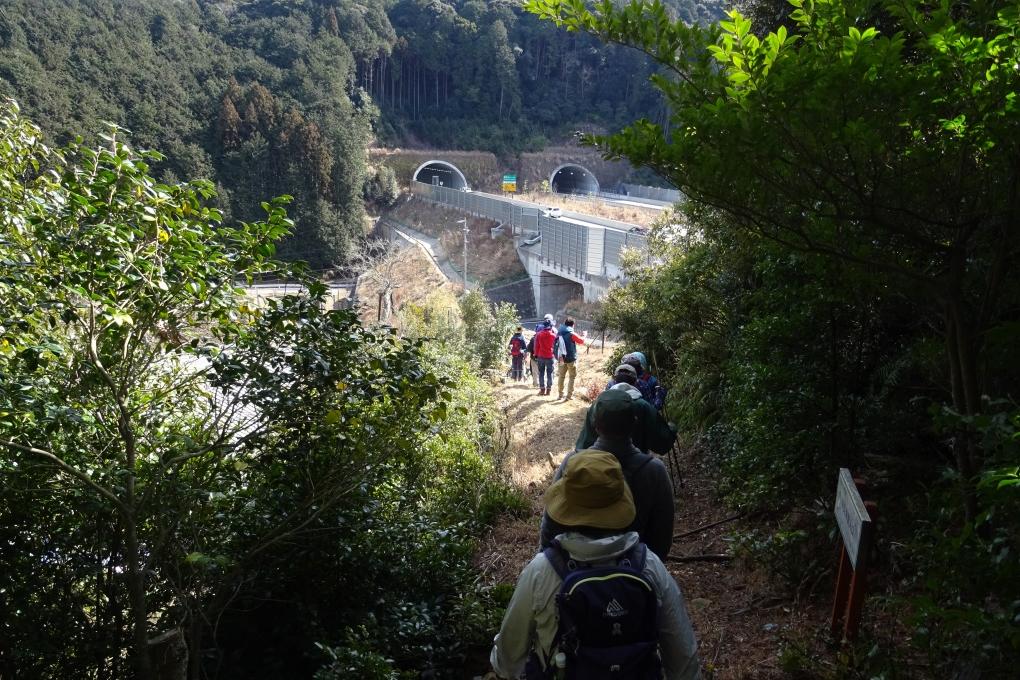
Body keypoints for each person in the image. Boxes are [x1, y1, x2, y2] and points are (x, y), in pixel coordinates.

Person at [490, 453, 700, 680]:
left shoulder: (542, 570)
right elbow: (684, 659)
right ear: (620, 504)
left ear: (565, 507)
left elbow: (507, 661)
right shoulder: (649, 565)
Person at [544, 387, 675, 558]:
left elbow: (550, 523)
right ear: (634, 423)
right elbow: (662, 537)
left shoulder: (573, 462)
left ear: (595, 425)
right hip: (632, 572)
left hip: (572, 571)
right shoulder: (654, 471)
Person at [582, 365, 676, 457]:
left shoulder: (598, 404)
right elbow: (662, 444)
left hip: (601, 466)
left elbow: (584, 444)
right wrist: (672, 428)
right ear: (635, 382)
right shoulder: (643, 405)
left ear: (614, 381)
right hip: (636, 465)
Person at [554, 317, 585, 400]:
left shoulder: (559, 332)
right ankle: (568, 396)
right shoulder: (571, 333)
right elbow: (581, 341)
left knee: (561, 376)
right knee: (572, 377)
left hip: (561, 358)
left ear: (565, 323)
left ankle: (560, 395)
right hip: (571, 358)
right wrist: (584, 336)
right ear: (573, 325)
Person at [532, 317, 558, 396]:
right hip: (550, 356)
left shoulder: (539, 334)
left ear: (543, 326)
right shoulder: (554, 335)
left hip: (540, 356)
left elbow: (536, 346)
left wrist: (536, 354)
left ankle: (542, 389)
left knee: (541, 373)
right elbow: (556, 347)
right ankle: (548, 390)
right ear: (550, 326)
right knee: (550, 373)